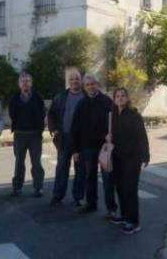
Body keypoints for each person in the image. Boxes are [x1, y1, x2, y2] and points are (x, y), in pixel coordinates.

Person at [72, 73, 117, 215]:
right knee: (89, 177)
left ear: (97, 85)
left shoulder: (107, 101)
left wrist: (112, 139)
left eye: (92, 84)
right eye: (87, 85)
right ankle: (91, 204)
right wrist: (76, 150)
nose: (90, 87)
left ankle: (111, 209)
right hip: (87, 147)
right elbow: (75, 128)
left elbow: (115, 122)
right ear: (84, 87)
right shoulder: (81, 104)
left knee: (108, 178)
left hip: (104, 147)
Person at [111, 87, 150, 235]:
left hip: (132, 158)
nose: (120, 98)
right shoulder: (113, 115)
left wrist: (145, 156)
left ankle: (134, 222)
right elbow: (109, 134)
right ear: (114, 99)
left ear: (127, 98)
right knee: (120, 188)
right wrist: (106, 137)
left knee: (130, 190)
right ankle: (125, 216)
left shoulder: (134, 115)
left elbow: (142, 136)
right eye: (117, 96)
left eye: (122, 96)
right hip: (117, 158)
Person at [48, 69, 86, 207]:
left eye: (77, 79)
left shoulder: (86, 96)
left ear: (80, 80)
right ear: (68, 82)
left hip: (81, 140)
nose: (74, 81)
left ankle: (78, 197)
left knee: (80, 169)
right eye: (72, 79)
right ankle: (57, 196)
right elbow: (51, 113)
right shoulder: (61, 97)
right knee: (62, 167)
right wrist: (54, 129)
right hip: (64, 138)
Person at [9, 73, 46, 197]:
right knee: (19, 162)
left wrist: (39, 128)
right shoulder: (14, 98)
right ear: (19, 84)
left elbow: (43, 113)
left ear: (31, 83)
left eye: (28, 81)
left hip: (35, 134)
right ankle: (17, 187)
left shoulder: (38, 97)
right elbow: (11, 113)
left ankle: (38, 187)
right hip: (20, 134)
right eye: (23, 81)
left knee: (36, 162)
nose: (25, 83)